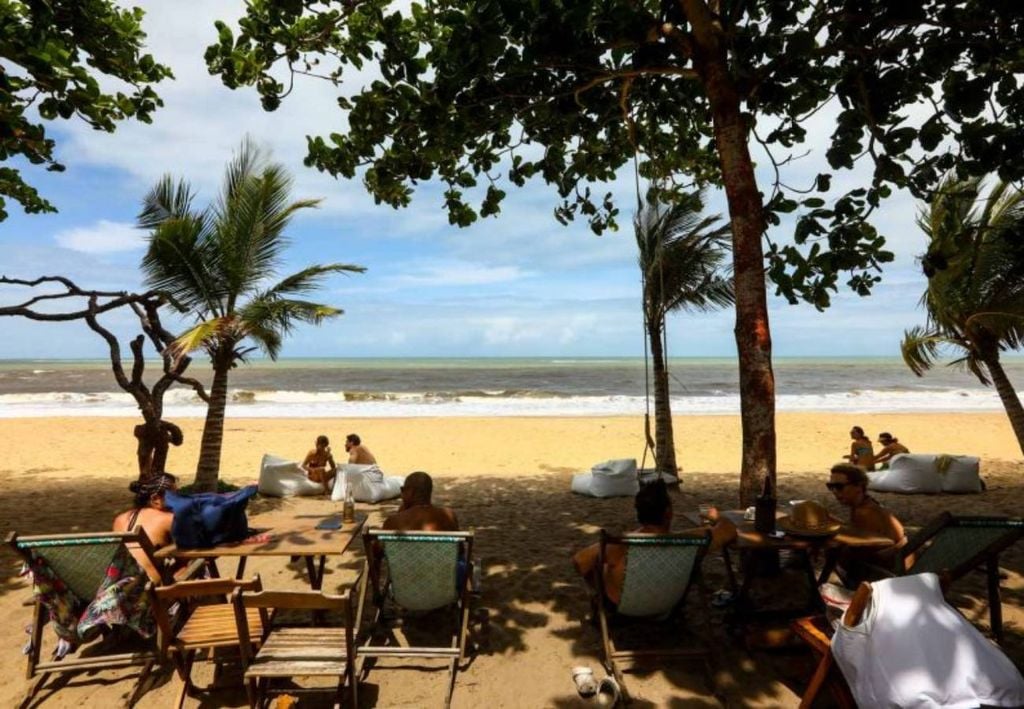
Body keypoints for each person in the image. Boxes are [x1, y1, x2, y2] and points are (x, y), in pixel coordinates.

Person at [572, 479, 736, 605]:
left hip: (626, 605)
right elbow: (729, 530)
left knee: (601, 565)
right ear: (668, 512)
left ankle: (601, 604)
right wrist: (717, 517)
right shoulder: (693, 540)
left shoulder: (621, 544)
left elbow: (579, 561)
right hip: (668, 602)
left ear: (639, 513)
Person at [827, 462, 907, 586]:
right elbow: (858, 532)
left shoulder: (865, 512)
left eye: (839, 486)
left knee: (832, 550)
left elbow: (859, 544)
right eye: (830, 486)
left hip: (888, 571)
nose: (834, 491)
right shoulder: (865, 503)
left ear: (858, 487)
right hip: (894, 561)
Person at [112, 472, 178, 582]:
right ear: (156, 499)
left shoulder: (119, 520)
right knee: (190, 561)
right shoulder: (167, 518)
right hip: (149, 587)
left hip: (121, 586)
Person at [382, 471, 459, 531]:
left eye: (403, 490)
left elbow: (378, 550)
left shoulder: (393, 522)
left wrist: (400, 514)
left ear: (410, 492)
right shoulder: (449, 517)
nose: (401, 494)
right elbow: (459, 548)